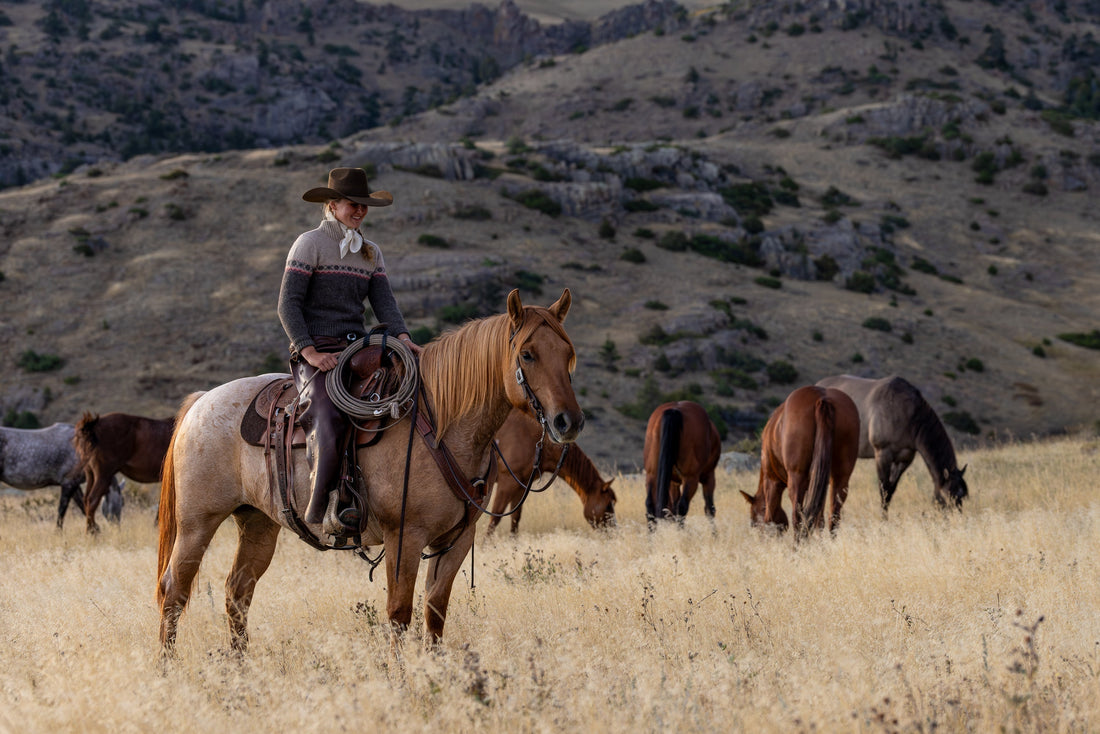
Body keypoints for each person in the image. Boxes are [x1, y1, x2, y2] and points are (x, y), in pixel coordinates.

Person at [278, 167, 420, 532]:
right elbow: (288, 306)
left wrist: (404, 340)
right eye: (353, 205)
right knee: (330, 416)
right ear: (332, 204)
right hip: (317, 351)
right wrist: (309, 352)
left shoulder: (371, 253)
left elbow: (385, 305)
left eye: (364, 206)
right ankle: (322, 507)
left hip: (356, 350)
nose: (360, 211)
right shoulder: (309, 244)